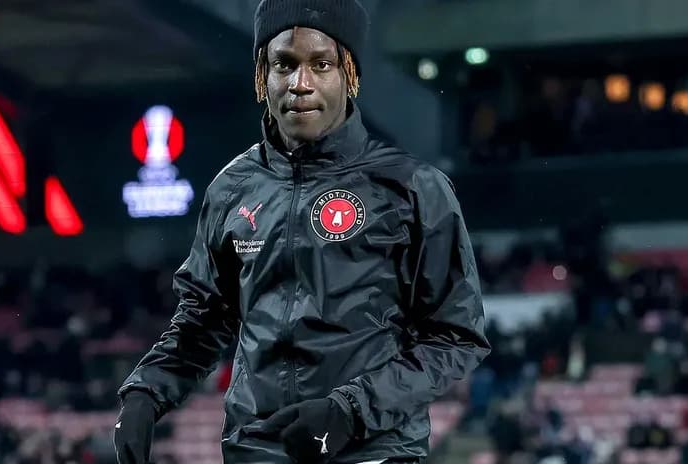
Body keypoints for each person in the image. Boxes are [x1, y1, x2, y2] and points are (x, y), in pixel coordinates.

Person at [113, 0, 491, 462]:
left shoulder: (412, 188)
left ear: (349, 73)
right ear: (261, 75)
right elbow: (204, 318)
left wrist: (349, 411)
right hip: (256, 449)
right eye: (284, 64)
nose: (300, 84)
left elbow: (455, 336)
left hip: (370, 451)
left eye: (321, 64)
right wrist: (147, 392)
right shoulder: (232, 188)